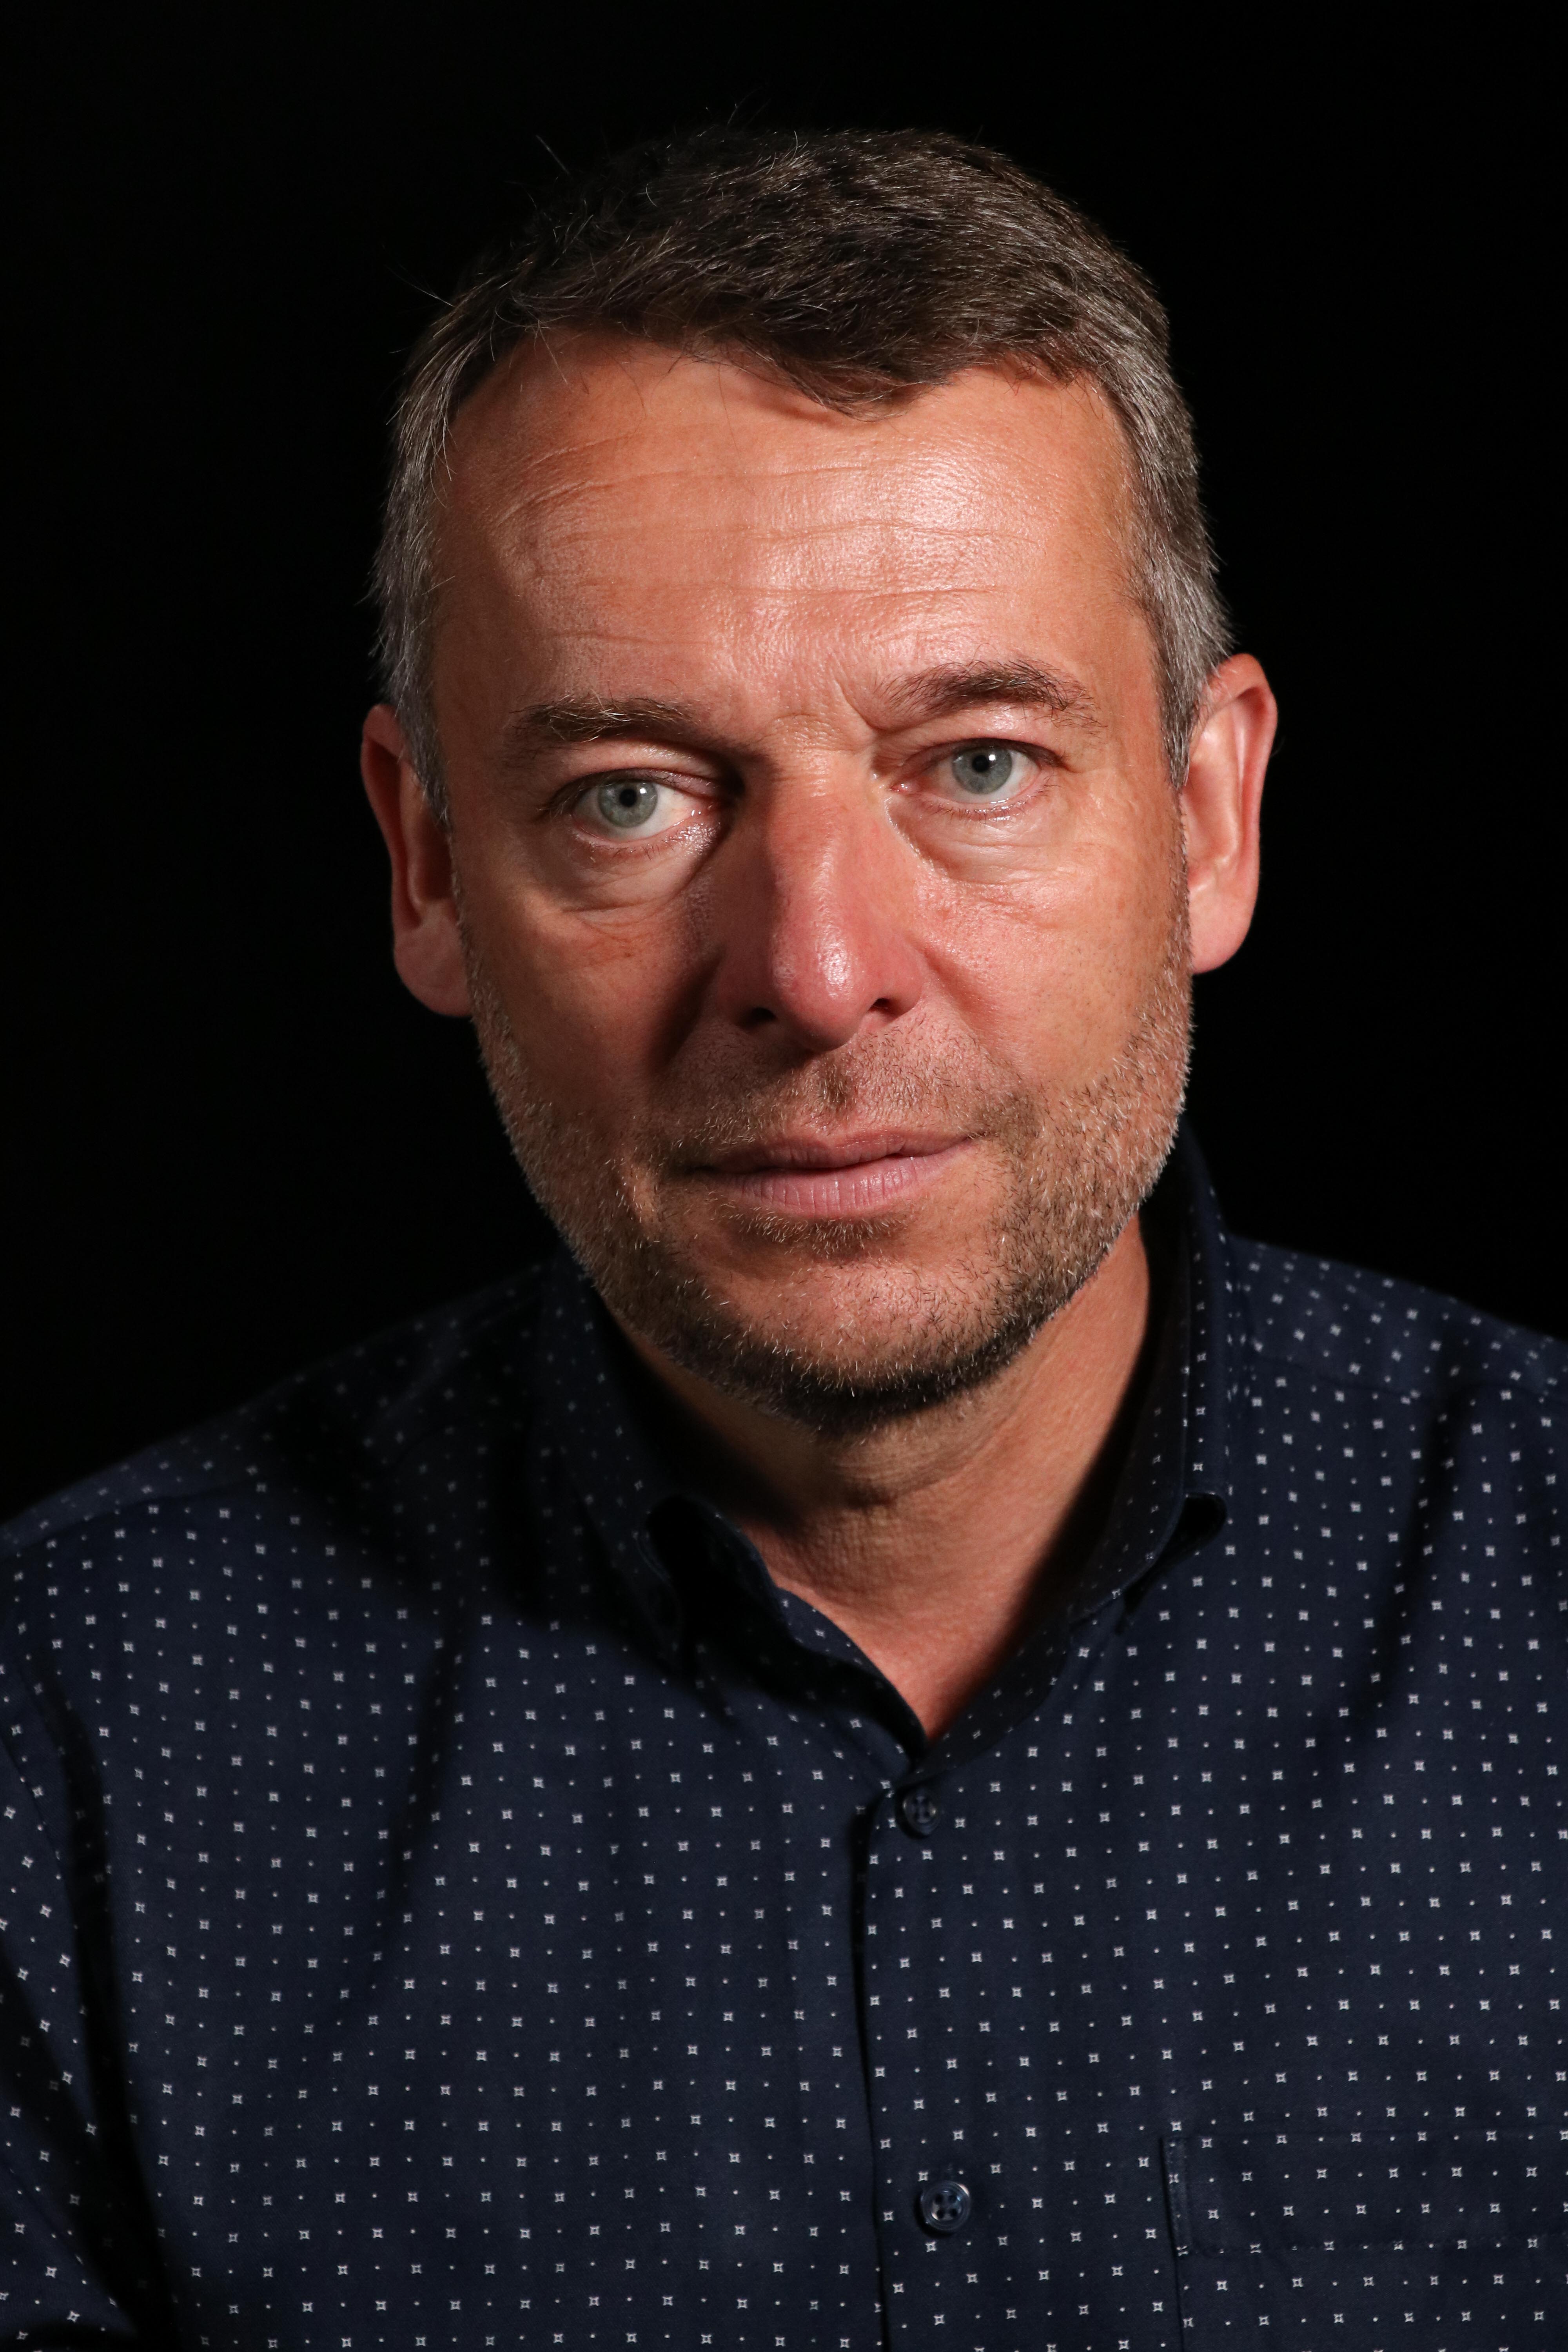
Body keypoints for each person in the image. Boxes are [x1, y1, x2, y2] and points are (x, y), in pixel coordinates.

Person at [2, 126, 1563, 2352]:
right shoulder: (70, 1742)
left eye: (979, 763)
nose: (820, 972)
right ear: (426, 868)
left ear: (1211, 816)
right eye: (634, 795)